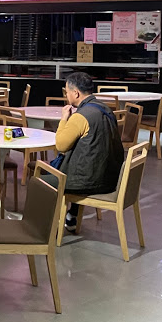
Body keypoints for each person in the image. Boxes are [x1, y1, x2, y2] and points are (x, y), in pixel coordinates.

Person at [52, 72, 124, 232]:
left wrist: (64, 118)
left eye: (67, 92)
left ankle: (46, 228)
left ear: (76, 93)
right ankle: (72, 215)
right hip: (110, 177)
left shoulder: (81, 116)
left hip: (90, 182)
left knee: (43, 180)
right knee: (82, 163)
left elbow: (61, 145)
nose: (66, 95)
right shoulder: (106, 109)